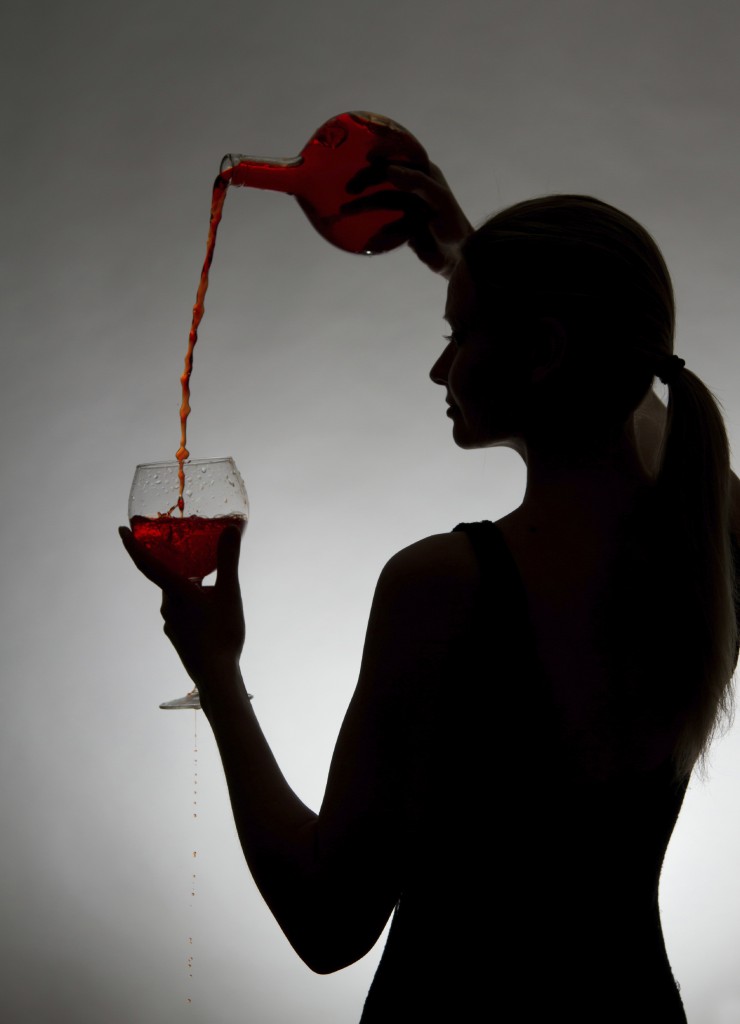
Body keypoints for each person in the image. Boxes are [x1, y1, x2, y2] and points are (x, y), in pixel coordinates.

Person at [120, 164, 739, 1022]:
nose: (438, 366)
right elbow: (632, 404)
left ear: (546, 352)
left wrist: (217, 672)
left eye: (459, 333)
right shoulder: (712, 545)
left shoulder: (444, 588)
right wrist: (463, 252)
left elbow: (327, 920)